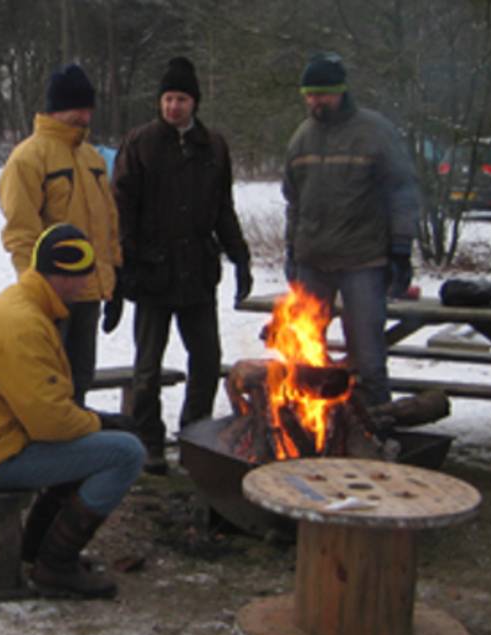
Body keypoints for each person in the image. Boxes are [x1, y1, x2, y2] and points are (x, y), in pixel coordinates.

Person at [0, 223, 145, 598]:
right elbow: (50, 423)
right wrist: (100, 422)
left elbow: (44, 407)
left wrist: (94, 425)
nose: (86, 287)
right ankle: (56, 564)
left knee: (92, 442)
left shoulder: (21, 305)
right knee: (125, 453)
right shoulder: (22, 325)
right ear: (64, 277)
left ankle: (35, 546)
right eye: (83, 278)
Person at [111, 57, 253, 475]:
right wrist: (125, 268)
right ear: (160, 102)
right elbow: (122, 208)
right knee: (147, 367)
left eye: (182, 99)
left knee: (207, 359)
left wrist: (240, 255)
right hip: (152, 271)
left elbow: (223, 209)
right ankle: (149, 441)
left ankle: (195, 434)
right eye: (168, 99)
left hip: (197, 271)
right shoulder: (139, 144)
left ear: (195, 102)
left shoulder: (214, 147)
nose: (174, 107)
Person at [282, 52, 420, 409]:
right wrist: (291, 252)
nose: (316, 102)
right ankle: (310, 427)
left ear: (342, 92)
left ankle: (377, 423)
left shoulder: (374, 132)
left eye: (324, 94)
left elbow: (403, 192)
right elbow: (293, 202)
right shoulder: (301, 138)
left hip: (363, 260)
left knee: (368, 356)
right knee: (305, 355)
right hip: (312, 260)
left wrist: (401, 249)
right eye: (310, 95)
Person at [0, 63, 124, 408]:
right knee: (46, 382)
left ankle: (78, 452)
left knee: (80, 378)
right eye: (76, 109)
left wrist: (113, 278)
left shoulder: (93, 158)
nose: (83, 117)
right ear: (56, 109)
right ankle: (47, 456)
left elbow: (108, 224)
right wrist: (34, 291)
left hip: (89, 293)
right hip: (50, 294)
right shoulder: (28, 158)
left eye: (87, 109)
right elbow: (21, 232)